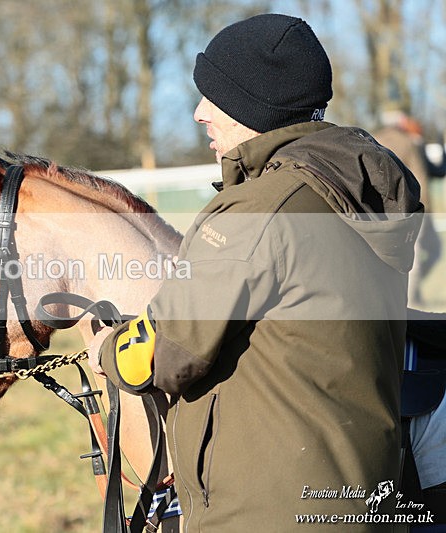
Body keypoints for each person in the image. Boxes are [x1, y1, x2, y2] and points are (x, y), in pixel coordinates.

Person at [89, 14, 424, 531]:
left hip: (265, 510)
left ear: (254, 106)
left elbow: (170, 353)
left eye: (214, 98)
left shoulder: (259, 209)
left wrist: (107, 350)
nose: (200, 113)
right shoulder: (352, 191)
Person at [374, 109, 442, 307]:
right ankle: (410, 303)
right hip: (413, 208)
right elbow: (421, 177)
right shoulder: (408, 142)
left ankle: (406, 296)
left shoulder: (373, 139)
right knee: (420, 255)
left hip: (384, 209)